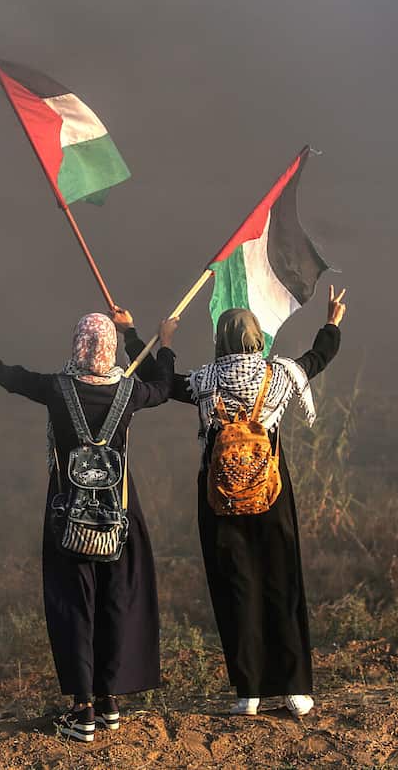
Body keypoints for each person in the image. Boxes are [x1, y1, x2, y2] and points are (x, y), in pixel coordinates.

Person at [0, 305, 179, 741]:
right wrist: (155, 339)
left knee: (75, 606)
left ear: (78, 345)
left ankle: (83, 712)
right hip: (119, 512)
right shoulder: (129, 393)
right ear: (109, 348)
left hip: (67, 511)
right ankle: (110, 699)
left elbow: (2, 373)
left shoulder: (56, 390)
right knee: (115, 602)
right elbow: (164, 387)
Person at [126, 285, 347, 717]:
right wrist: (332, 321)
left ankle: (248, 692)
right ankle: (296, 690)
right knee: (282, 584)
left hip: (219, 499)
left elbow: (161, 382)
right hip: (272, 494)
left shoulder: (204, 382)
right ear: (257, 340)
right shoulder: (279, 376)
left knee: (236, 587)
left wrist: (143, 337)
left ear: (220, 342)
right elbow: (317, 358)